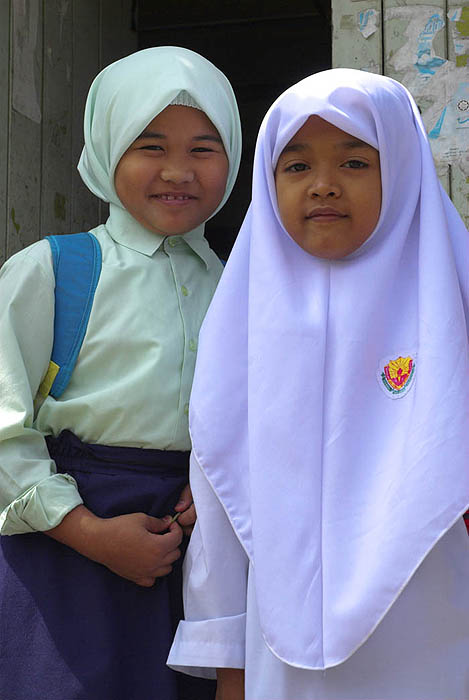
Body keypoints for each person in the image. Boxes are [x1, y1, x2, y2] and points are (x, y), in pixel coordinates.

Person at [167, 69, 469, 699]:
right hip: (283, 654)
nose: (324, 186)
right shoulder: (245, 318)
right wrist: (230, 664)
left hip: (439, 634)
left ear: (405, 169)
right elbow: (221, 494)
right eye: (296, 166)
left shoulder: (453, 303)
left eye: (356, 161)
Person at [0, 46, 241, 700]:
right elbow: (3, 426)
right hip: (65, 550)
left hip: (191, 553)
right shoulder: (54, 271)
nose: (176, 171)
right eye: (149, 145)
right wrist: (87, 532)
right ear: (106, 149)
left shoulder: (244, 288)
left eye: (203, 148)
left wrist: (222, 481)